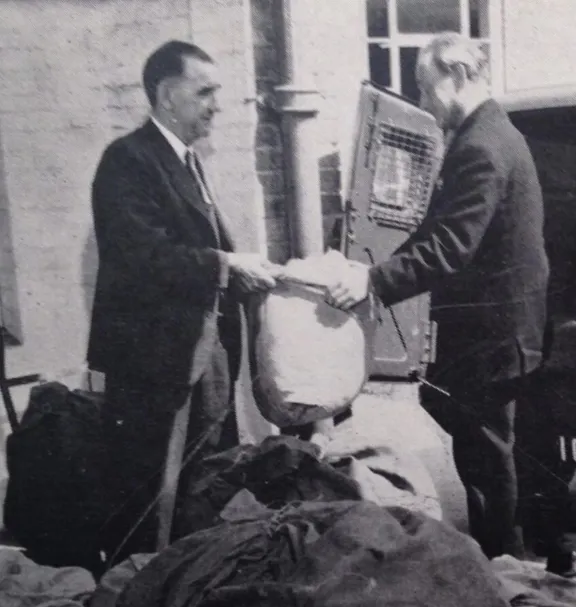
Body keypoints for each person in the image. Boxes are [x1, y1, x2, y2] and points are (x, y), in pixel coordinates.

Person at [324, 33, 550, 563]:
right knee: (495, 458)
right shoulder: (487, 134)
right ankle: (519, 563)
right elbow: (434, 231)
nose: (424, 103)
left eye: (427, 88)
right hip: (502, 333)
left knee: (488, 466)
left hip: (493, 338)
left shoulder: (481, 145)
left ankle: (501, 573)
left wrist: (373, 282)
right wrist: (370, 269)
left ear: (457, 77)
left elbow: (450, 246)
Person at [87, 40, 278, 558]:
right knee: (154, 501)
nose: (216, 103)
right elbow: (143, 257)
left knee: (205, 487)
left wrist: (251, 271)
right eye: (206, 91)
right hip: (157, 372)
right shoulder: (127, 161)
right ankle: (141, 604)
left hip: (200, 363)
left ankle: (194, 592)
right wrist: (227, 264)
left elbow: (197, 249)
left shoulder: (187, 162)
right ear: (169, 96)